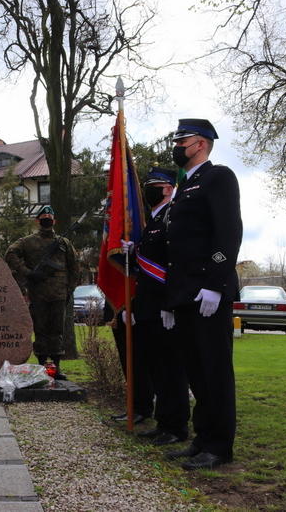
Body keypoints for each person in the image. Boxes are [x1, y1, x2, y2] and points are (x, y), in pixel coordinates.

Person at [162, 119, 242, 470]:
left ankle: (220, 445)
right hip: (184, 293)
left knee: (215, 371)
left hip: (207, 290)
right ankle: (203, 438)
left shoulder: (218, 177)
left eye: (182, 141)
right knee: (196, 371)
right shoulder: (185, 186)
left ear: (201, 144)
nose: (177, 146)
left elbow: (228, 233)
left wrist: (215, 283)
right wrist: (170, 299)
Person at [121, 167, 191, 444]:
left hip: (165, 307)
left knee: (172, 368)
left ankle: (176, 426)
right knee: (158, 368)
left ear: (168, 189)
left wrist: (170, 303)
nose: (148, 190)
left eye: (154, 185)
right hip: (149, 306)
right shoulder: (152, 221)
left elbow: (175, 263)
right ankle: (164, 421)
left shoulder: (173, 217)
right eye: (147, 185)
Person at [5, 206, 80, 380]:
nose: (47, 219)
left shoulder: (64, 243)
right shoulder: (27, 241)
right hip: (38, 293)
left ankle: (56, 367)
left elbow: (75, 267)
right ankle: (40, 367)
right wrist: (28, 272)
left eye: (50, 217)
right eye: (43, 217)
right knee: (40, 330)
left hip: (59, 294)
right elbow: (10, 254)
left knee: (57, 330)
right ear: (38, 221)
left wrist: (69, 290)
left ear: (54, 221)